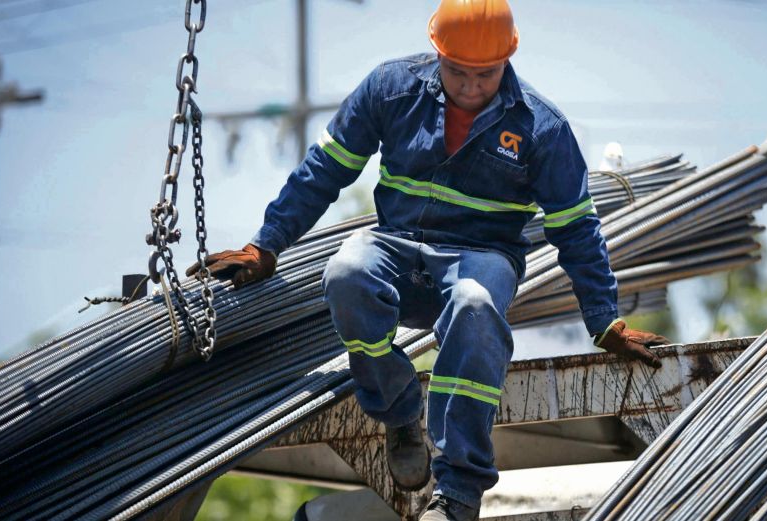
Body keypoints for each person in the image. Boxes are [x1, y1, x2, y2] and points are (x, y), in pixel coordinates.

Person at [189, 1, 669, 519]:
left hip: (482, 259)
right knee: (347, 272)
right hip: (397, 246)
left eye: (485, 75)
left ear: (507, 60)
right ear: (437, 53)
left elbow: (576, 229)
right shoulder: (391, 89)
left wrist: (603, 319)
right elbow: (324, 170)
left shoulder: (541, 128)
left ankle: (458, 493)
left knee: (475, 304)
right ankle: (398, 409)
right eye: (457, 71)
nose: (470, 86)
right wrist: (267, 244)